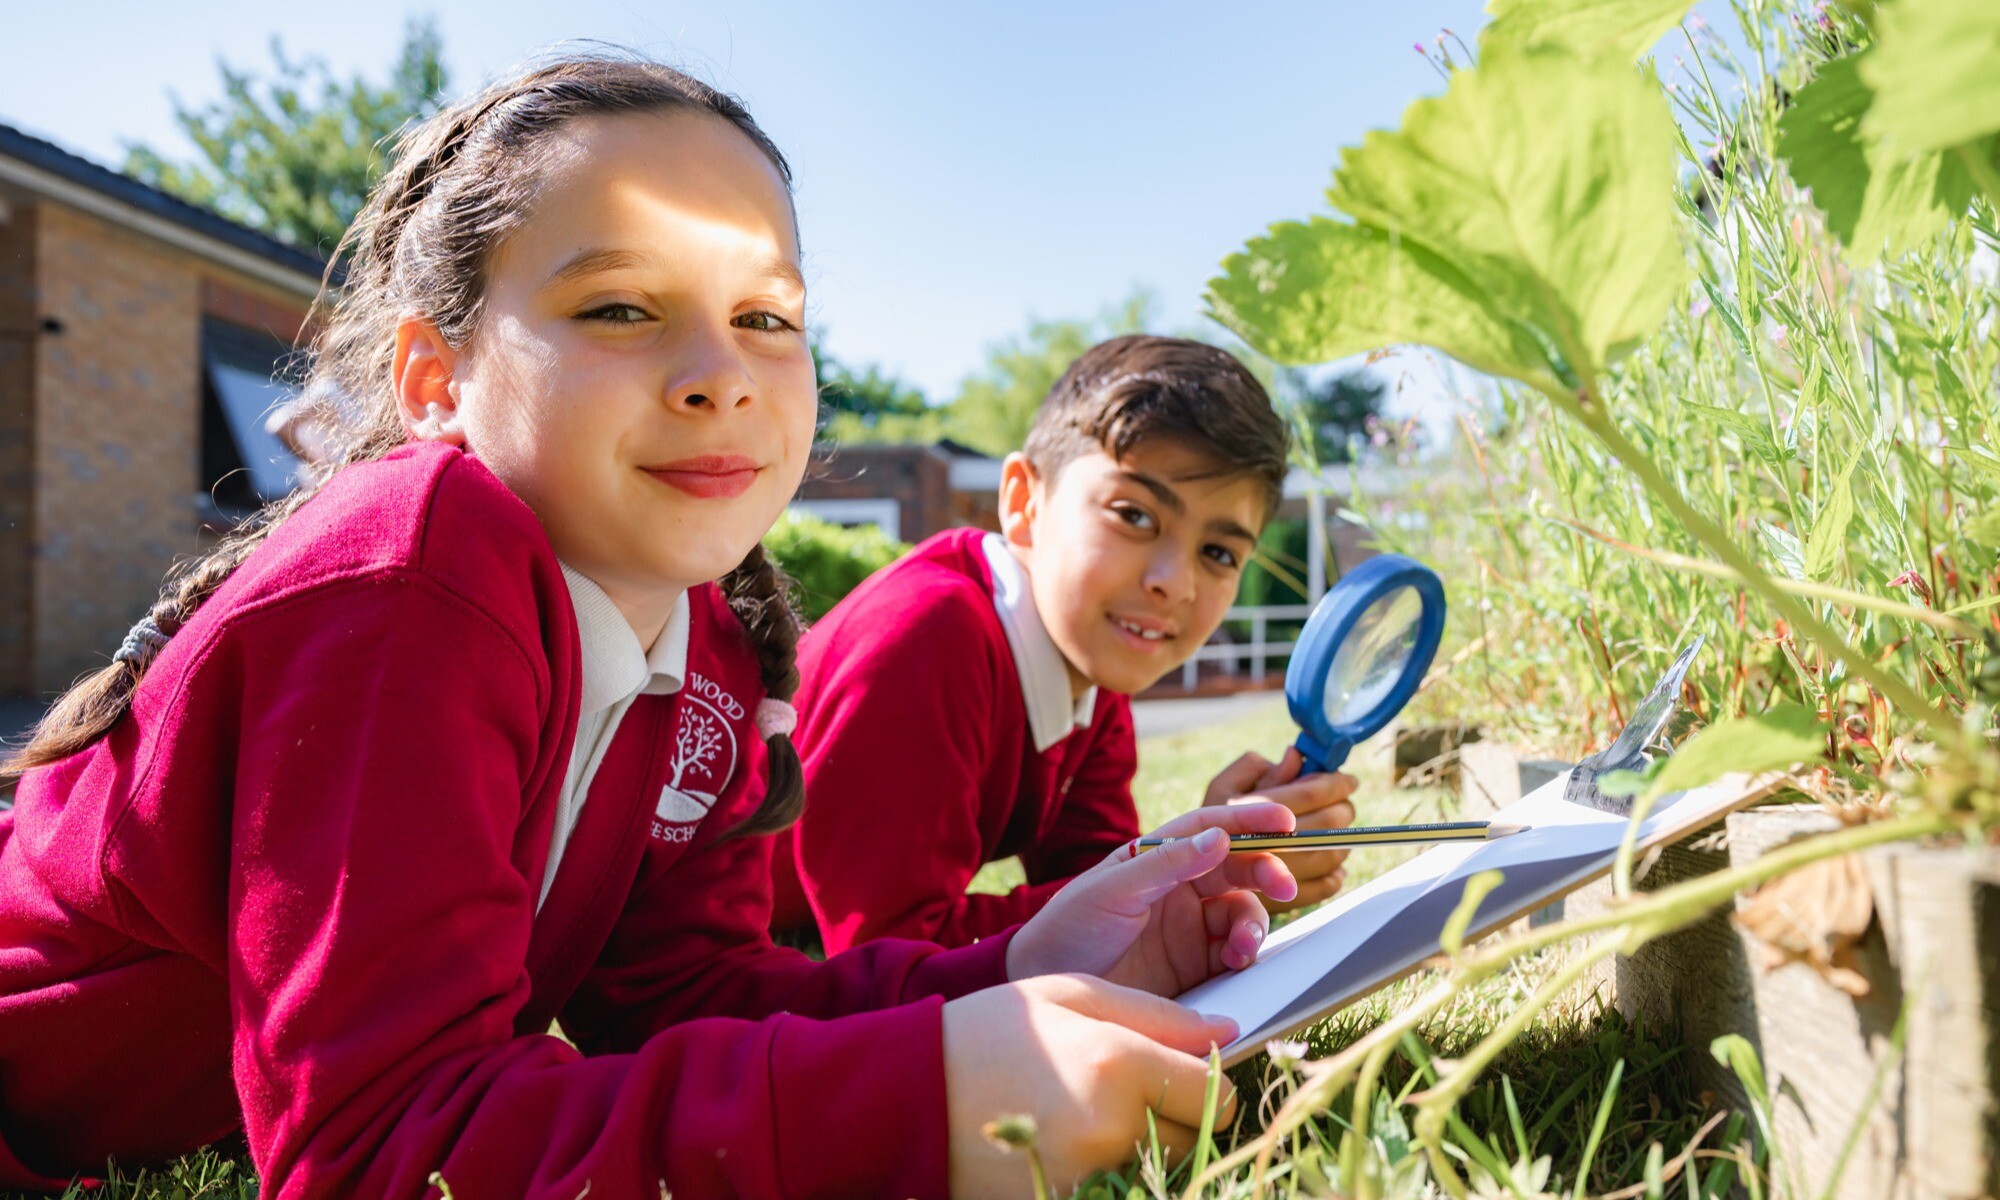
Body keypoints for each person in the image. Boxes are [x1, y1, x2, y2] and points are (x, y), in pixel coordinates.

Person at [0, 57, 1302, 1200]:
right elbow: (377, 1150)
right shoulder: (408, 570)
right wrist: (923, 1101)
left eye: (766, 318)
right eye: (621, 306)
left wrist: (1013, 963)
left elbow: (684, 996)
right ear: (433, 378)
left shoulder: (715, 645)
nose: (719, 371)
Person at [770, 335, 1359, 954]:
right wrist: (1181, 882)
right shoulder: (926, 637)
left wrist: (1192, 862)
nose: (1172, 582)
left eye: (1217, 552)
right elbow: (893, 956)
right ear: (1024, 504)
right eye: (1134, 515)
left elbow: (1088, 881)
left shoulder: (1090, 673)